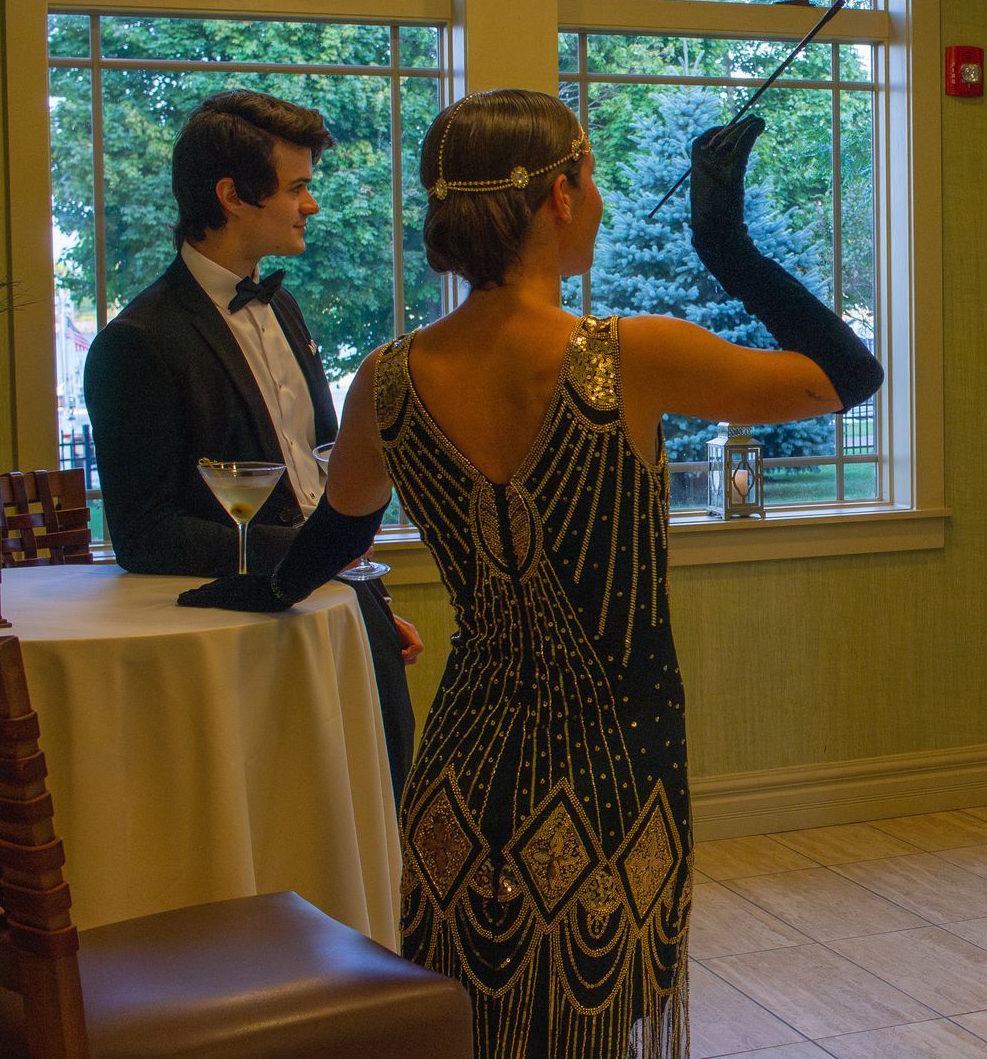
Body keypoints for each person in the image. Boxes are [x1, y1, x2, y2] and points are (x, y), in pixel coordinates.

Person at [180, 89, 881, 1058]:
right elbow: (849, 375)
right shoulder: (631, 355)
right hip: (611, 762)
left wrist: (267, 588)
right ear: (560, 195)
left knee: (476, 1018)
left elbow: (341, 528)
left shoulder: (383, 377)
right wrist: (728, 244)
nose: (595, 203)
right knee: (590, 1019)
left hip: (462, 769)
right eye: (589, 181)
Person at [83, 89, 421, 803]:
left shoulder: (285, 306)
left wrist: (364, 597)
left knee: (388, 813)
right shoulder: (134, 345)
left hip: (340, 602)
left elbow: (322, 472)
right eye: (298, 187)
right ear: (233, 195)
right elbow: (144, 536)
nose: (312, 205)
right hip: (243, 644)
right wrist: (309, 559)